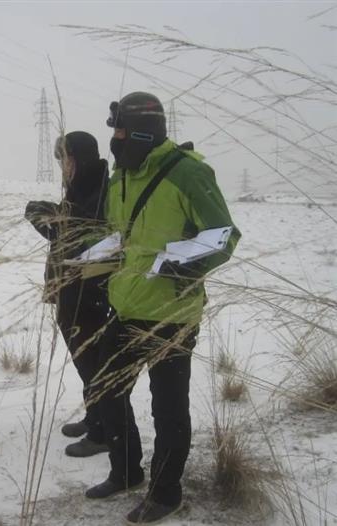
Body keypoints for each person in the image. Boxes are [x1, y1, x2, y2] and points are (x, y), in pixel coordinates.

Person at [85, 92, 240, 525]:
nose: (114, 139)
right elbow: (122, 234)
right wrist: (89, 252)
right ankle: (126, 471)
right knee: (105, 389)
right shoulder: (121, 176)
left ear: (142, 131)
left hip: (173, 314)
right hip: (127, 305)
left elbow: (224, 235)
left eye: (120, 130)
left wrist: (176, 264)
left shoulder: (188, 172)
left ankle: (165, 493)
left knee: (167, 408)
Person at [24, 131, 111, 458]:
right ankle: (94, 417)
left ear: (81, 159)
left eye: (67, 159)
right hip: (72, 290)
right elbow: (67, 224)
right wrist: (45, 213)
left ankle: (103, 432)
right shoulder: (82, 187)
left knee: (92, 362)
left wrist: (52, 222)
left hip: (88, 291)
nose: (63, 166)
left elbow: (81, 232)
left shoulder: (101, 190)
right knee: (84, 360)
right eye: (61, 160)